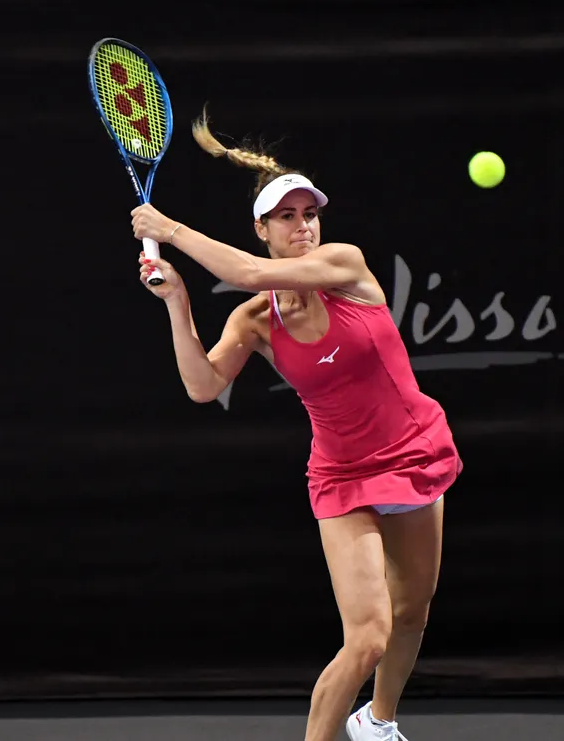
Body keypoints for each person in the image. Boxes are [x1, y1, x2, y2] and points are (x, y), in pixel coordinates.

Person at [128, 107, 462, 741]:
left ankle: (379, 722)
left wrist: (168, 228)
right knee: (367, 638)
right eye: (287, 216)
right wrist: (177, 300)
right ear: (262, 228)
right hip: (340, 476)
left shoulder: (347, 265)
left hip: (414, 453)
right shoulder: (255, 321)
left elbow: (247, 271)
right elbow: (202, 386)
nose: (304, 226)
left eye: (310, 213)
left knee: (413, 612)